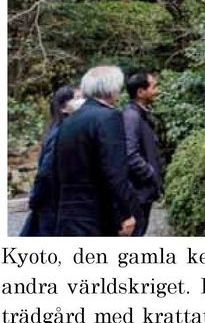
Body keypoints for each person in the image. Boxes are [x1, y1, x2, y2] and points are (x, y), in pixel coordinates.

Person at [52, 65, 138, 236]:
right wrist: (125, 213)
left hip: (68, 213)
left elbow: (55, 168)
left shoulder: (69, 120)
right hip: (98, 214)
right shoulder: (109, 117)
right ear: (113, 89)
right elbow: (115, 170)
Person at [20, 85, 81, 236]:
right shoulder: (61, 132)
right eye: (77, 99)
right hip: (52, 201)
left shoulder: (64, 128)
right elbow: (46, 171)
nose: (82, 103)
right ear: (63, 108)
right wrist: (36, 197)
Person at [122, 69, 165, 236]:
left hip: (144, 191)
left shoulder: (140, 114)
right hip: (138, 192)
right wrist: (150, 173)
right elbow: (130, 153)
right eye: (153, 87)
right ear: (141, 92)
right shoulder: (131, 117)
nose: (157, 91)